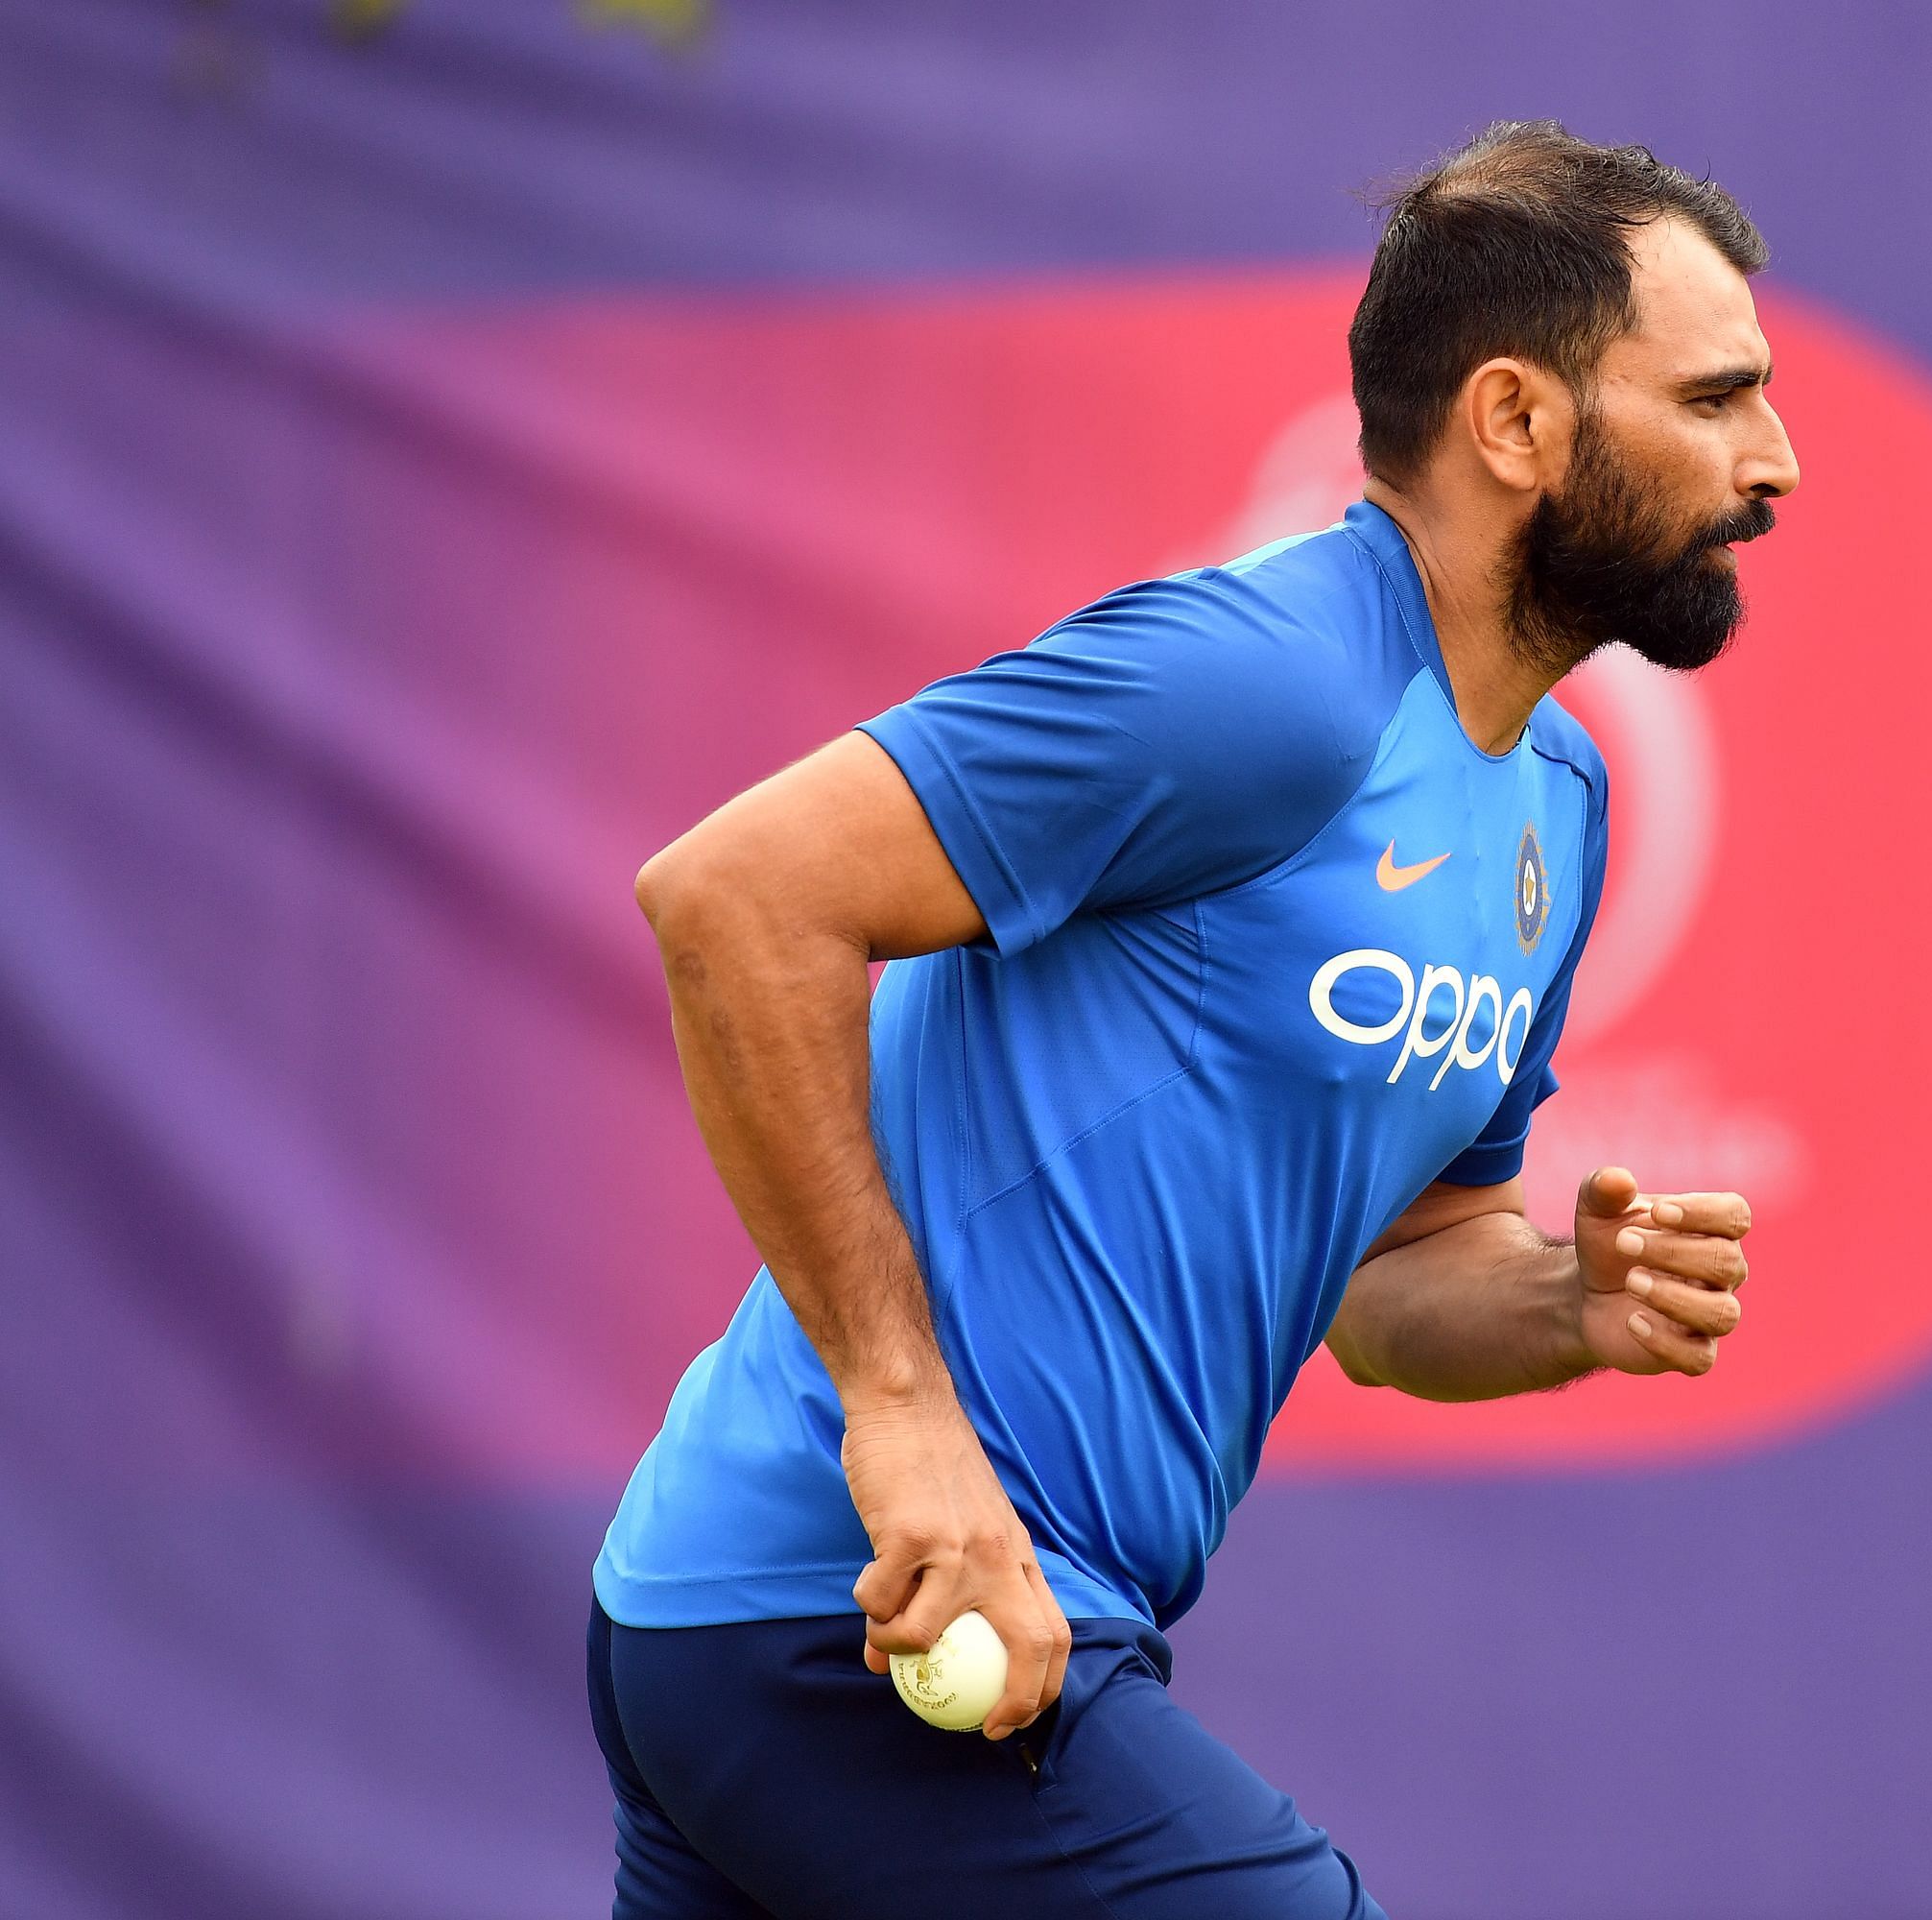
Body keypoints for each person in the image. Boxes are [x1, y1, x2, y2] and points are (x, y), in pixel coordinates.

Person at [586, 119, 1801, 1920]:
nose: (1774, 460)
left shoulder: (1557, 798)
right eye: (1716, 398)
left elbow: (1396, 1285)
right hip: (848, 1611)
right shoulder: (1268, 679)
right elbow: (737, 900)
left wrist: (1562, 1298)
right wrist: (904, 1419)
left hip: (836, 1627)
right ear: (1518, 423)